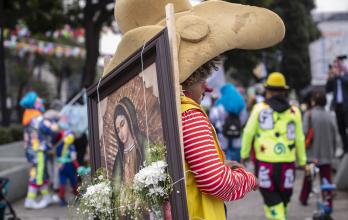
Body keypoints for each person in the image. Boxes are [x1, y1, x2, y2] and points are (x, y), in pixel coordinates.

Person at [105, 0, 286, 219]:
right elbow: (217, 183)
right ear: (188, 78)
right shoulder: (187, 115)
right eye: (202, 78)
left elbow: (182, 168)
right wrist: (248, 179)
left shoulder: (151, 113)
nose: (206, 87)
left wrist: (218, 164)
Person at [241, 72, 307, 220]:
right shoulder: (294, 111)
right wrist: (302, 161)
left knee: (270, 197)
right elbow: (299, 138)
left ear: (268, 91)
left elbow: (248, 132)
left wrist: (244, 154)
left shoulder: (259, 109)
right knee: (284, 197)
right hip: (287, 163)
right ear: (284, 90)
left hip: (265, 163)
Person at [20, 91, 59, 209]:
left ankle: (46, 197)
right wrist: (57, 121)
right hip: (39, 152)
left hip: (32, 152)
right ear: (34, 104)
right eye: (38, 100)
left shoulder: (28, 118)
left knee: (41, 174)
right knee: (38, 175)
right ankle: (30, 200)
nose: (40, 101)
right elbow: (52, 129)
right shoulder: (38, 118)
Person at [299, 90, 336, 209]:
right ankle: (328, 202)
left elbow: (303, 133)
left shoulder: (308, 114)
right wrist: (333, 151)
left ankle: (304, 198)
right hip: (326, 154)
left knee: (308, 178)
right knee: (326, 180)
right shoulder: (330, 116)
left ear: (313, 101)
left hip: (311, 154)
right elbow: (335, 136)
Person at [112, 97, 146, 186]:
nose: (120, 133)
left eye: (122, 124)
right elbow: (115, 188)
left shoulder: (143, 144)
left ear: (130, 120)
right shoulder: (119, 157)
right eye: (118, 130)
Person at [210, 83, 246, 161]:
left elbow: (213, 118)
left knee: (223, 158)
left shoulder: (220, 102)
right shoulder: (241, 102)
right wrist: (237, 125)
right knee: (235, 158)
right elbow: (244, 118)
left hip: (222, 134)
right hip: (236, 133)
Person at [326, 57, 348, 155]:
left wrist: (339, 75)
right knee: (341, 128)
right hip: (337, 106)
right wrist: (330, 77)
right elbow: (328, 89)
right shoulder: (334, 79)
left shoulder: (345, 76)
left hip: (346, 106)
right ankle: (345, 148)